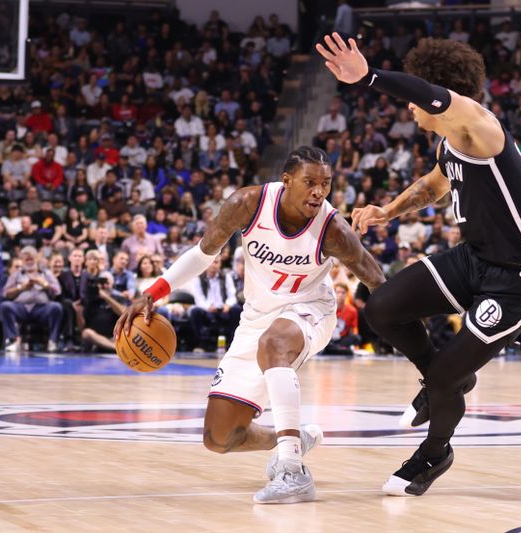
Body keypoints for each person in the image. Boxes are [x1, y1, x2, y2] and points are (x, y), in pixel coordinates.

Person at [317, 33, 521, 496]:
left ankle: (434, 453)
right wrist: (388, 210)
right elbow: (434, 185)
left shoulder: (479, 123)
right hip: (475, 260)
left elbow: (431, 96)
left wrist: (368, 77)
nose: (409, 108)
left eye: (416, 98)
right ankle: (439, 378)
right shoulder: (450, 141)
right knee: (383, 307)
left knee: (448, 377)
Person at [114, 146, 385, 504]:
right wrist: (152, 293)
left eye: (326, 184)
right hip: (256, 317)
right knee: (219, 437)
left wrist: (420, 348)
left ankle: (292, 471)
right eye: (310, 182)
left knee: (274, 345)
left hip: (310, 310)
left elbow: (378, 281)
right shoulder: (247, 204)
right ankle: (291, 439)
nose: (319, 192)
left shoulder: (333, 229)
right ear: (286, 181)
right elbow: (202, 253)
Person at [0, 246, 63, 352]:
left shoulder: (46, 273)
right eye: (26, 259)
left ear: (37, 258)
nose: (29, 261)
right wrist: (21, 288)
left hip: (41, 308)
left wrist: (44, 284)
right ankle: (13, 340)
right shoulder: (16, 274)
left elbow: (58, 291)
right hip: (21, 308)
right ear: (22, 260)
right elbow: (5, 293)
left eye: (31, 258)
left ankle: (53, 341)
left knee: (56, 307)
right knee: (5, 306)